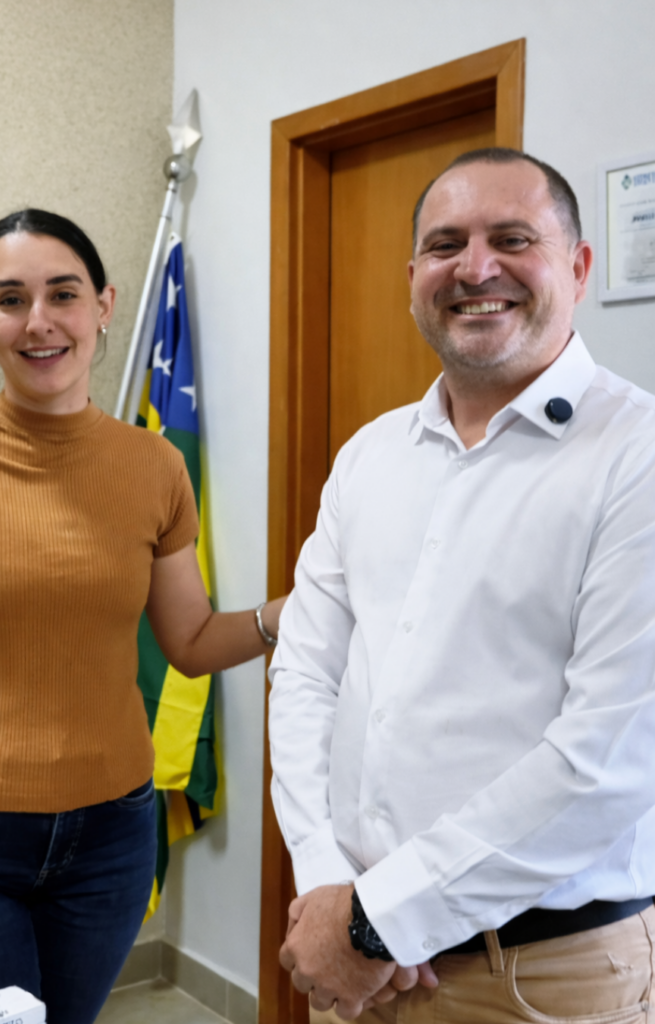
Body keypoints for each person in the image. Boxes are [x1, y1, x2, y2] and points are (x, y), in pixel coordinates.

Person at [0, 209, 285, 1024]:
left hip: (109, 842)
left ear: (103, 305)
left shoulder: (155, 466)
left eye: (63, 294)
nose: (38, 320)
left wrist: (280, 617)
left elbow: (188, 641)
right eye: (10, 299)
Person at [269, 148, 655, 1023]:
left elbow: (607, 760)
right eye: (445, 245)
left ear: (577, 268)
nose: (475, 269)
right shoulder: (369, 455)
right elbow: (305, 673)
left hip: (537, 979)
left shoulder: (636, 456)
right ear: (412, 277)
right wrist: (327, 885)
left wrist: (376, 919)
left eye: (511, 239)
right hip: (349, 954)